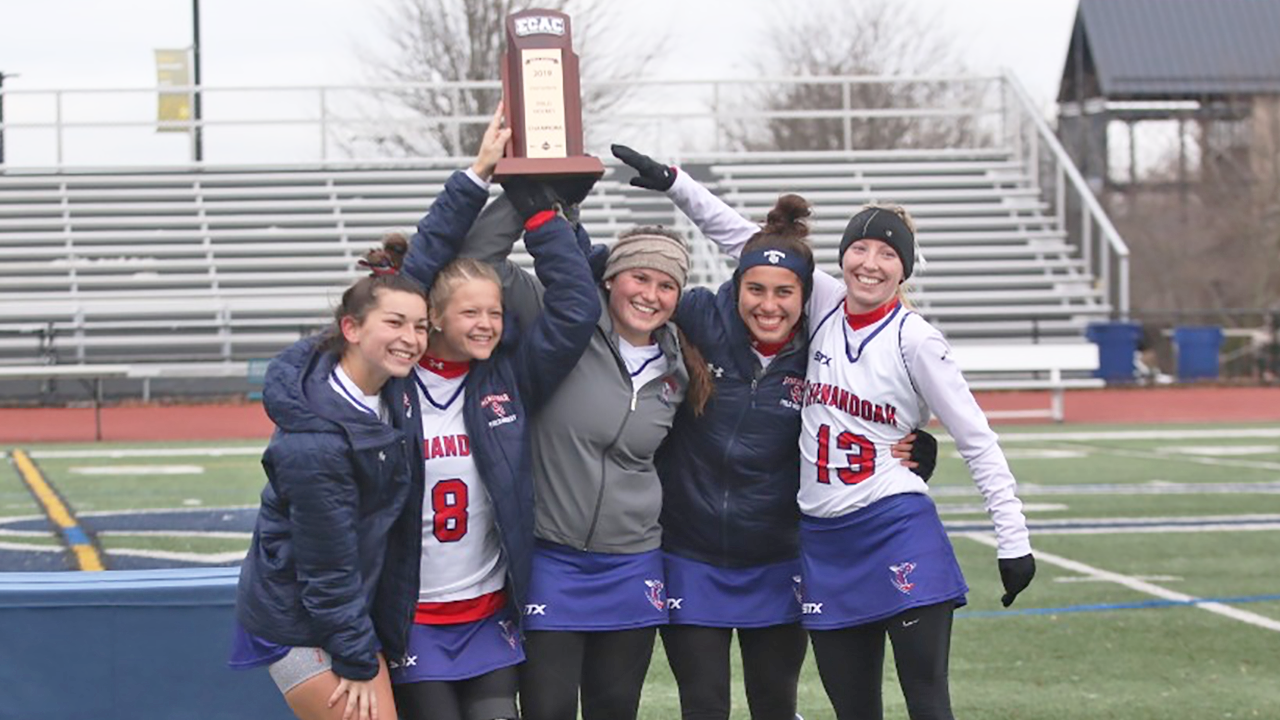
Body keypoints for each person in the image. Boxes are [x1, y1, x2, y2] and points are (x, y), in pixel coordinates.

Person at [615, 147, 1035, 720]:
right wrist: (675, 183)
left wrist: (1012, 538)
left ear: (904, 268)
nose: (870, 263)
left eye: (887, 253)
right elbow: (748, 242)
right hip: (819, 536)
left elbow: (978, 438)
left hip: (886, 522)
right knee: (852, 707)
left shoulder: (917, 339)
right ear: (841, 259)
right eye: (860, 248)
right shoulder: (825, 300)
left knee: (926, 702)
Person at [458, 189, 713, 720]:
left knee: (614, 709)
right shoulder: (557, 318)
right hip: (552, 554)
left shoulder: (679, 367)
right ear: (609, 278)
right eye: (639, 277)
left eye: (667, 284)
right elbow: (477, 262)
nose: (651, 294)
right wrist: (527, 192)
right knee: (548, 710)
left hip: (633, 560)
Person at [389, 108, 601, 720]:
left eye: (495, 313)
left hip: (488, 611)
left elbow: (574, 310)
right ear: (433, 316)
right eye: (470, 313)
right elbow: (420, 265)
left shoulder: (507, 380)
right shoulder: (394, 382)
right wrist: (478, 174)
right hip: (415, 615)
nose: (487, 324)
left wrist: (539, 213)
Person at [232, 235, 431, 720]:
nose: (412, 337)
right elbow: (327, 568)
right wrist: (356, 659)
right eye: (395, 323)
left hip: (347, 607)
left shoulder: (388, 386)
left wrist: (476, 177)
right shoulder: (317, 439)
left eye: (421, 326)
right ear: (351, 329)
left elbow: (425, 266)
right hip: (302, 617)